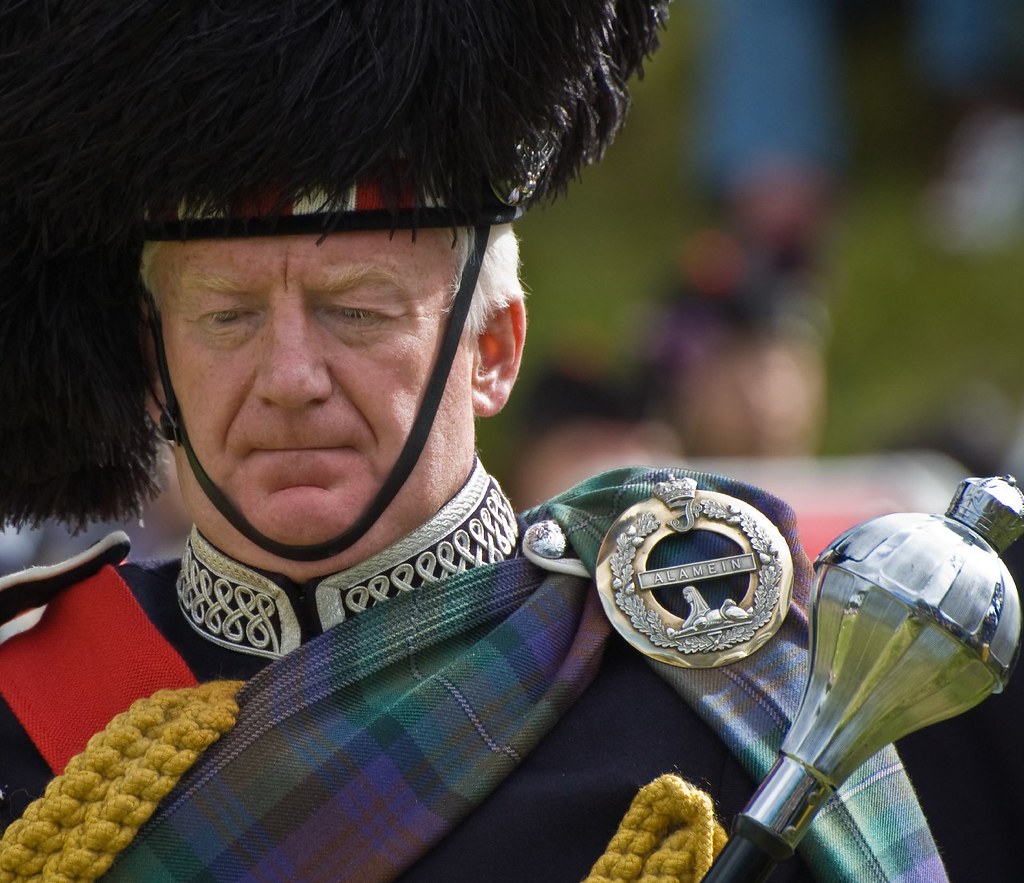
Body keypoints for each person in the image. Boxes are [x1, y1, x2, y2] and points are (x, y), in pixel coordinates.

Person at [0, 4, 954, 881]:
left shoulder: (708, 705)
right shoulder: (26, 708)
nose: (291, 377)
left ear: (492, 350)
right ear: (154, 364)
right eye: (227, 317)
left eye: (357, 311)